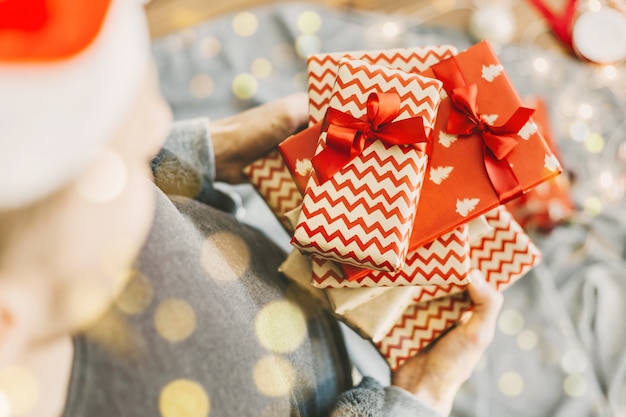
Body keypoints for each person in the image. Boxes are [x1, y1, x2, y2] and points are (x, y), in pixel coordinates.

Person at [0, 1, 503, 416]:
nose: (158, 130)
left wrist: (207, 151)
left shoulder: (55, 257)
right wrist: (416, 399)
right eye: (128, 160)